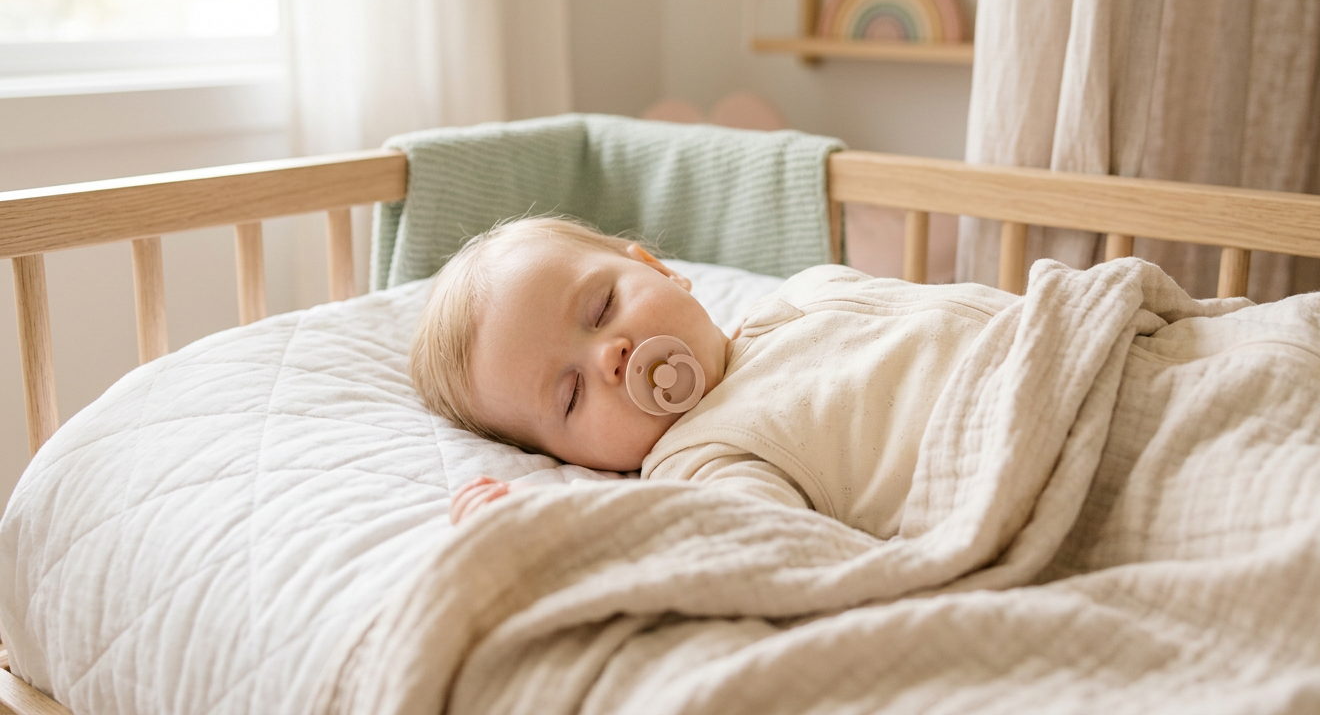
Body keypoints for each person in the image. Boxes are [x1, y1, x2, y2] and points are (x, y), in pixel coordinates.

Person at [412, 216, 1013, 537]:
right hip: (1025, 439)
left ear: (659, 269)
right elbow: (740, 542)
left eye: (600, 310)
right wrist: (558, 532)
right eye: (571, 395)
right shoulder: (700, 458)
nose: (609, 358)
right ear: (577, 459)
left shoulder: (797, 292)